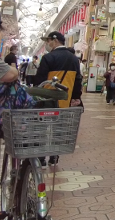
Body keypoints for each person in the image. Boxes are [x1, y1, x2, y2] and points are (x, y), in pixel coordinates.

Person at [35, 31, 82, 168]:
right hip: (64, 100)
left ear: (55, 41)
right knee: (59, 128)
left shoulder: (48, 58)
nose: (47, 44)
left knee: (43, 127)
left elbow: (40, 80)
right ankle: (54, 157)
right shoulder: (74, 59)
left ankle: (41, 158)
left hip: (46, 99)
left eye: (48, 41)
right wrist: (75, 97)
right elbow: (78, 79)